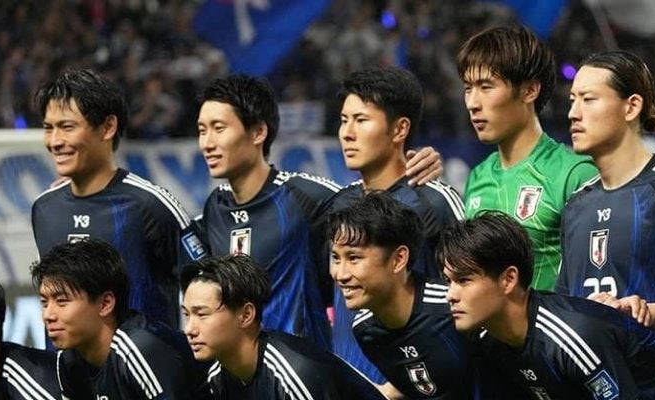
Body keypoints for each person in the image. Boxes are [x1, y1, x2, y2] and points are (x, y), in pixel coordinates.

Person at [193, 74, 443, 349]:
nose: (206, 143)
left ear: (258, 132)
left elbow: (381, 199)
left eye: (218, 128)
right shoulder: (213, 209)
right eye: (202, 130)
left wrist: (419, 168)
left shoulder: (309, 198)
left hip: (318, 368)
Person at [437, 212, 655, 399]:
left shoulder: (571, 338)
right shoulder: (487, 340)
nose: (451, 294)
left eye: (464, 280)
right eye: (448, 281)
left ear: (508, 279)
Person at [557, 50, 655, 376]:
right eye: (572, 100)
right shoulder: (576, 204)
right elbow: (565, 306)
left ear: (631, 107)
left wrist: (641, 312)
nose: (573, 113)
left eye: (588, 100)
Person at [32, 69, 204, 334]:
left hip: (144, 361)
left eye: (67, 127)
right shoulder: (45, 209)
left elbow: (209, 287)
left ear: (108, 127)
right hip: (67, 363)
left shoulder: (150, 205)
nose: (55, 141)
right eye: (48, 128)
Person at [328, 67, 464, 383]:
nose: (347, 133)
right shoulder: (340, 205)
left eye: (361, 120)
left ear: (400, 129)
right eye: (344, 120)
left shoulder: (434, 202)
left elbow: (473, 294)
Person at [457, 24, 598, 290]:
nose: (472, 103)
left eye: (486, 87)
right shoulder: (477, 176)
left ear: (530, 90)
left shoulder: (574, 174)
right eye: (468, 88)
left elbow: (596, 275)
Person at [328, 192, 473, 399]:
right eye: (335, 258)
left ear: (398, 259)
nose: (341, 275)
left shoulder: (453, 308)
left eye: (353, 258)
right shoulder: (365, 331)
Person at [181, 254, 385, 399]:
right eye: (187, 315)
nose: (189, 329)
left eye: (202, 314)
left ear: (246, 315)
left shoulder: (294, 374)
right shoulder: (218, 378)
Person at [32, 238, 202, 399]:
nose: (48, 315)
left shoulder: (140, 349)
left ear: (105, 304)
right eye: (44, 302)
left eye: (62, 301)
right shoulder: (69, 362)